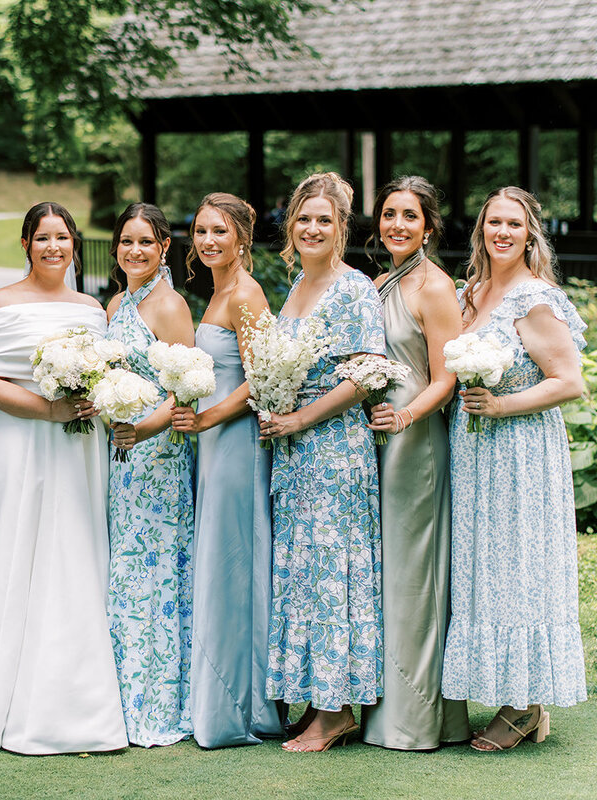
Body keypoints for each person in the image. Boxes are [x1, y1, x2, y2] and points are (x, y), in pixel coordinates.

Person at [0, 202, 128, 754]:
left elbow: (107, 374)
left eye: (63, 237)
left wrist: (89, 398)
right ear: (26, 243)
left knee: (70, 554)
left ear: (75, 244)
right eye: (43, 237)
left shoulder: (92, 308)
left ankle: (73, 702)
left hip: (79, 447)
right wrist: (47, 408)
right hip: (19, 439)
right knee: (11, 551)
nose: (54, 247)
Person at [442, 187, 587, 751]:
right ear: (481, 230)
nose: (502, 232)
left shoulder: (534, 299)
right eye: (493, 223)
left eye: (514, 224)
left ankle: (526, 706)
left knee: (522, 569)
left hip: (522, 452)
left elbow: (569, 381)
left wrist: (501, 405)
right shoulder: (470, 293)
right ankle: (515, 696)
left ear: (530, 233)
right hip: (475, 453)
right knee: (487, 571)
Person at [259, 172, 385, 752]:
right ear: (291, 226)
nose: (312, 228)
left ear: (341, 230)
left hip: (333, 450)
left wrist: (300, 418)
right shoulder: (296, 287)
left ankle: (336, 712)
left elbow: (364, 374)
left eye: (324, 221)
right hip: (292, 450)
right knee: (303, 572)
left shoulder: (353, 287)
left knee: (333, 571)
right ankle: (312, 697)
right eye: (303, 219)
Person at [170, 192, 284, 748]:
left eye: (219, 231)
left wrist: (207, 418)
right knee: (221, 555)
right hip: (214, 443)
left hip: (236, 442)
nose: (208, 241)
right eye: (200, 231)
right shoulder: (218, 289)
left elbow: (262, 378)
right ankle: (220, 693)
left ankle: (239, 706)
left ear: (241, 236)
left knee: (235, 558)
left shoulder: (246, 293)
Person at [361, 177, 470, 750]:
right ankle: (381, 707)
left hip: (416, 440)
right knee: (384, 572)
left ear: (428, 226)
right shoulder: (378, 283)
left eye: (409, 216)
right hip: (374, 437)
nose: (396, 225)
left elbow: (446, 378)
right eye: (388, 215)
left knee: (414, 576)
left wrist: (404, 421)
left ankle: (420, 718)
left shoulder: (434, 287)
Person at [103, 203, 195, 747]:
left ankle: (156, 701)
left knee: (153, 571)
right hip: (117, 453)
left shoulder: (169, 305)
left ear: (164, 248)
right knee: (124, 570)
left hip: (156, 454)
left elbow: (183, 386)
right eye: (126, 241)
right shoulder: (118, 302)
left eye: (145, 242)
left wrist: (142, 432)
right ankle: (118, 694)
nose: (134, 251)